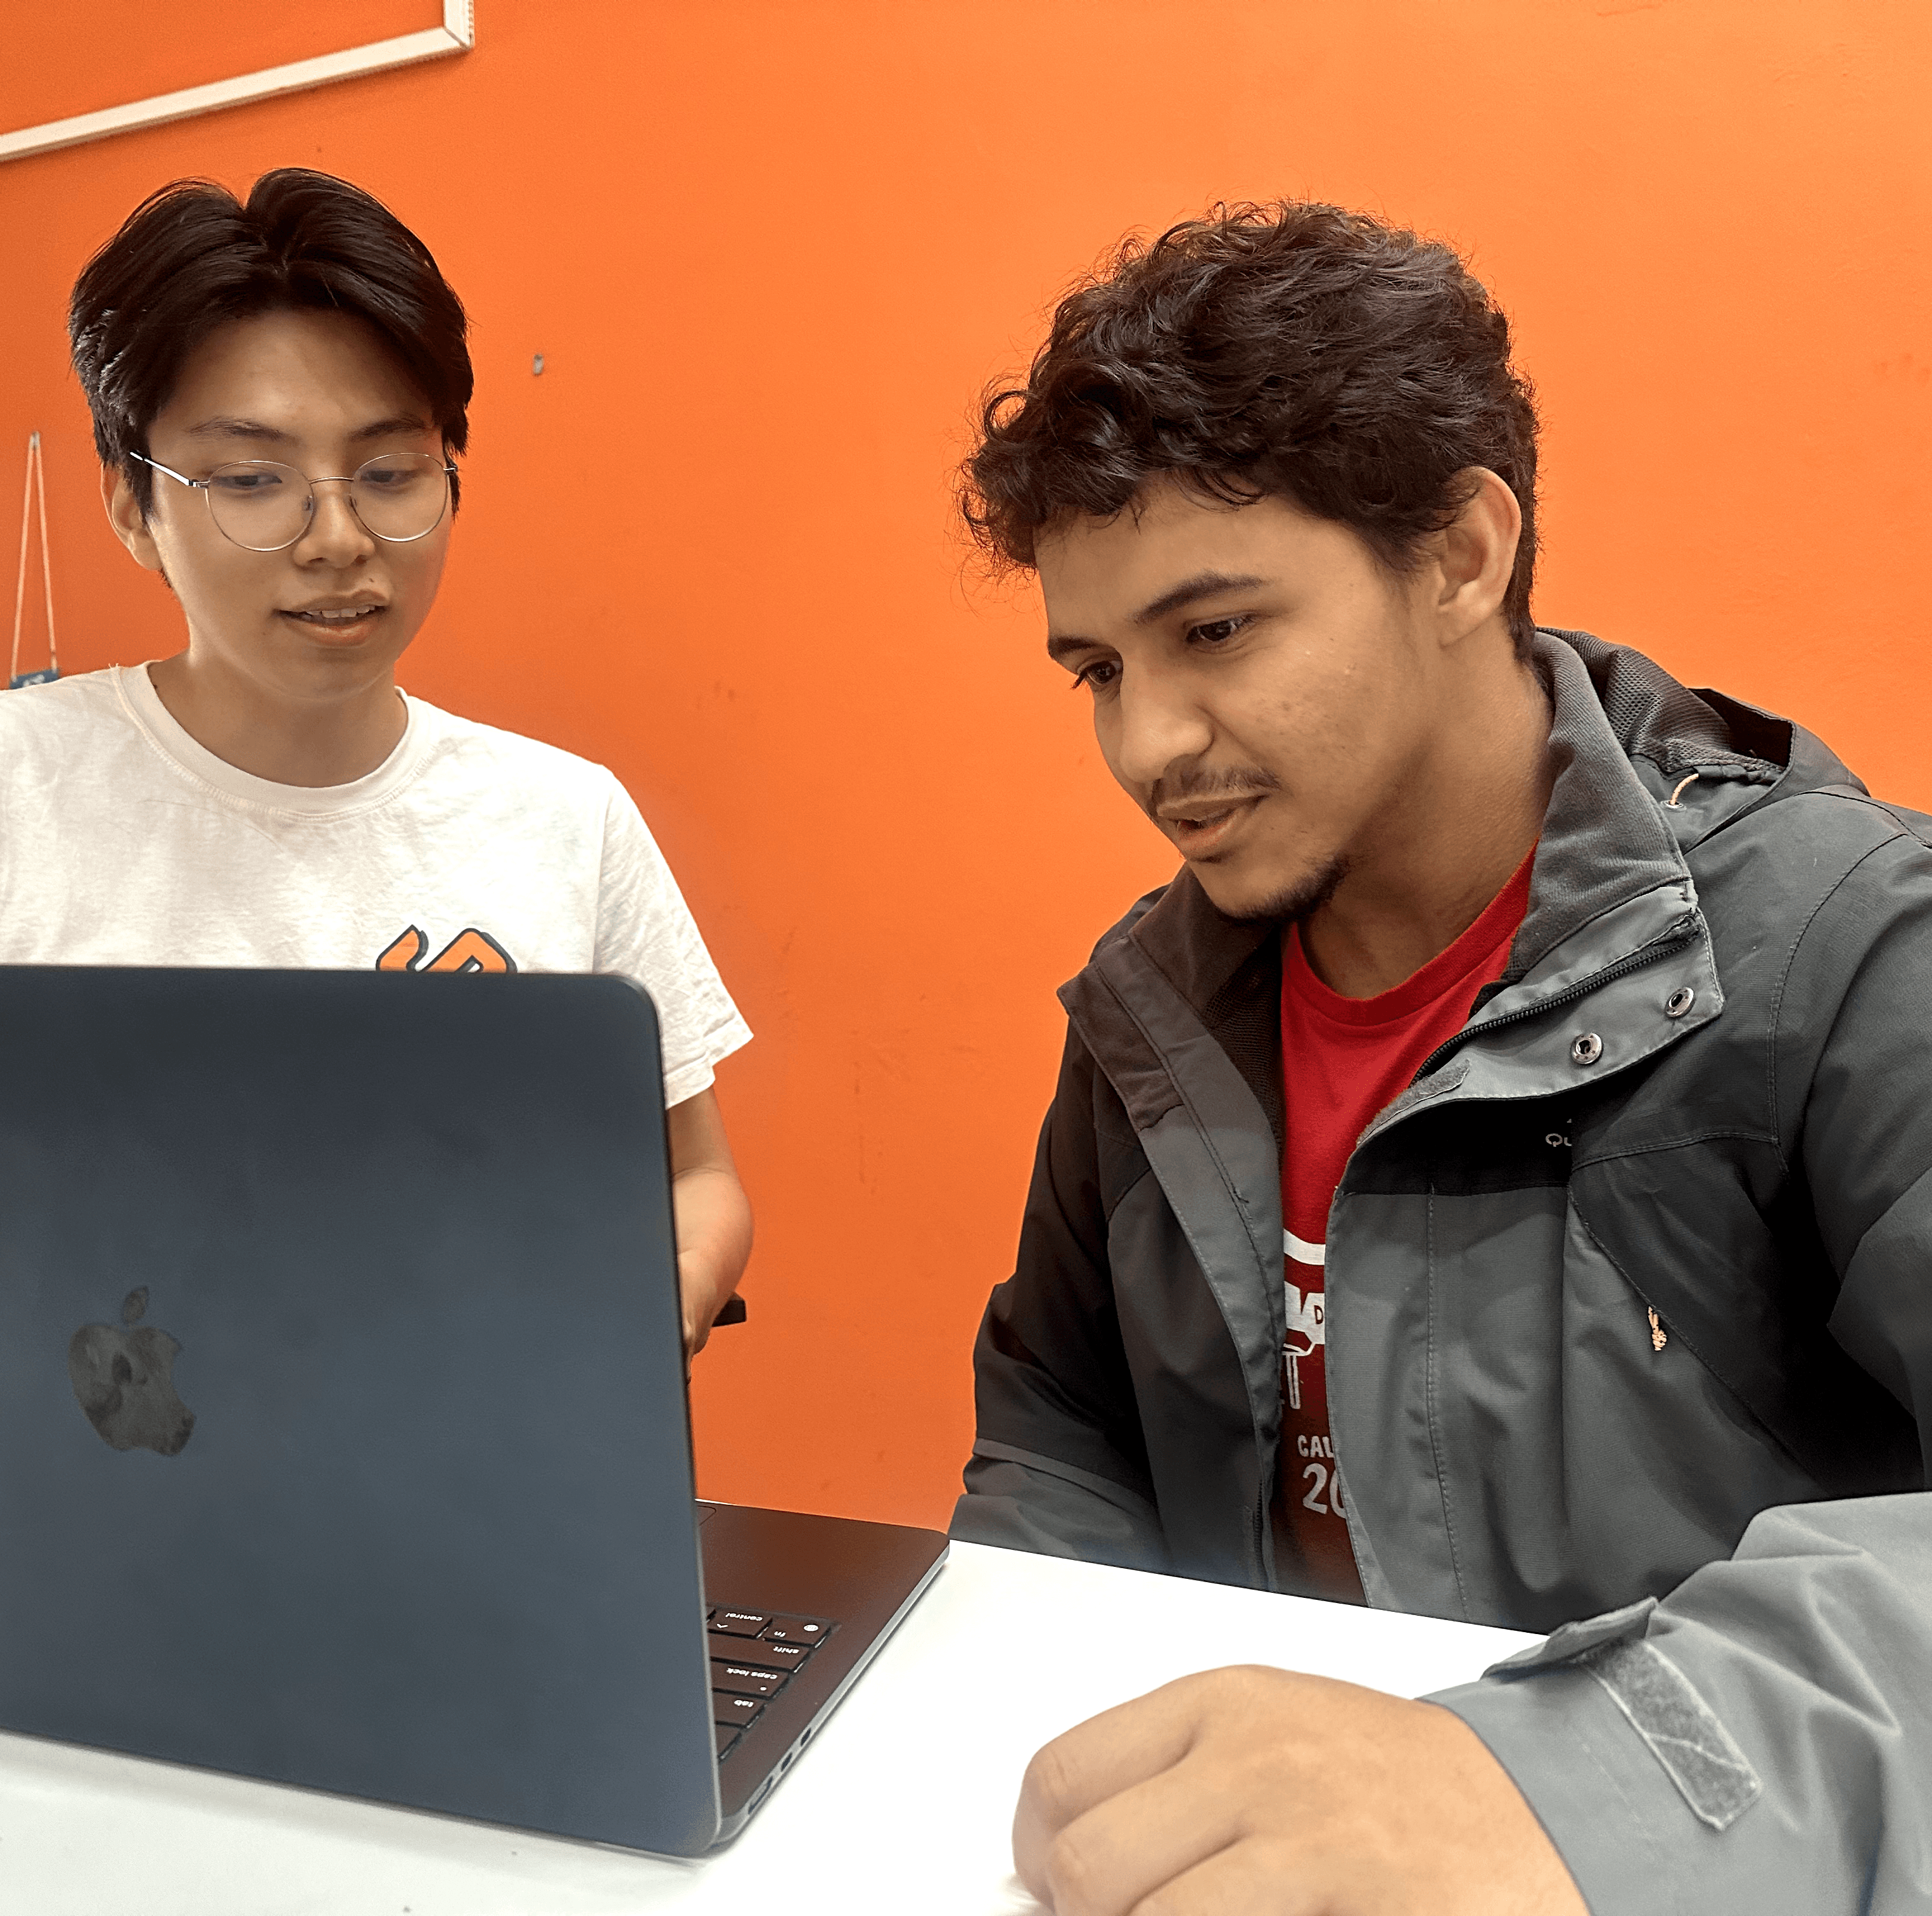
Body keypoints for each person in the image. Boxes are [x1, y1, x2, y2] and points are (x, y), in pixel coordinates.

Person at [952, 202, 1932, 1912]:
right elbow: (1059, 1434)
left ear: (1464, 554)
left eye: (1217, 633)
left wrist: (1558, 1786)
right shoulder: (1147, 1018)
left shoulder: (1843, 954)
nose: (1143, 744)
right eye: (1097, 669)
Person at [0, 170, 751, 1353]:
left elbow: (692, 1177)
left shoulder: (561, 818)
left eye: (390, 474)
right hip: (95, 1470)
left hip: (470, 1463)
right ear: (132, 504)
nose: (339, 540)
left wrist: (657, 1300)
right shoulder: (21, 793)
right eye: (253, 481)